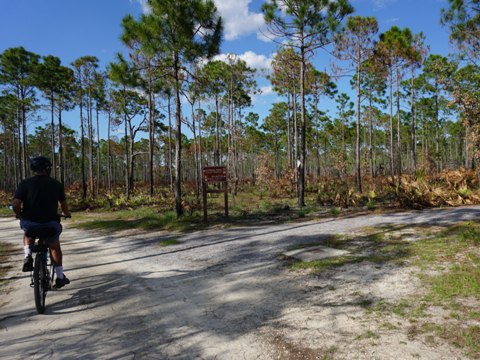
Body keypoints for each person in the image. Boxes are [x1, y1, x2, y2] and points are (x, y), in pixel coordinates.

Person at [11, 156, 72, 288]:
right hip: (50, 224)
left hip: (30, 223)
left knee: (28, 234)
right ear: (47, 168)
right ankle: (60, 277)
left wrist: (19, 214)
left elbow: (15, 203)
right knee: (54, 245)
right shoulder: (56, 184)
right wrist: (67, 214)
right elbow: (63, 204)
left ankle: (28, 256)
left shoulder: (25, 183)